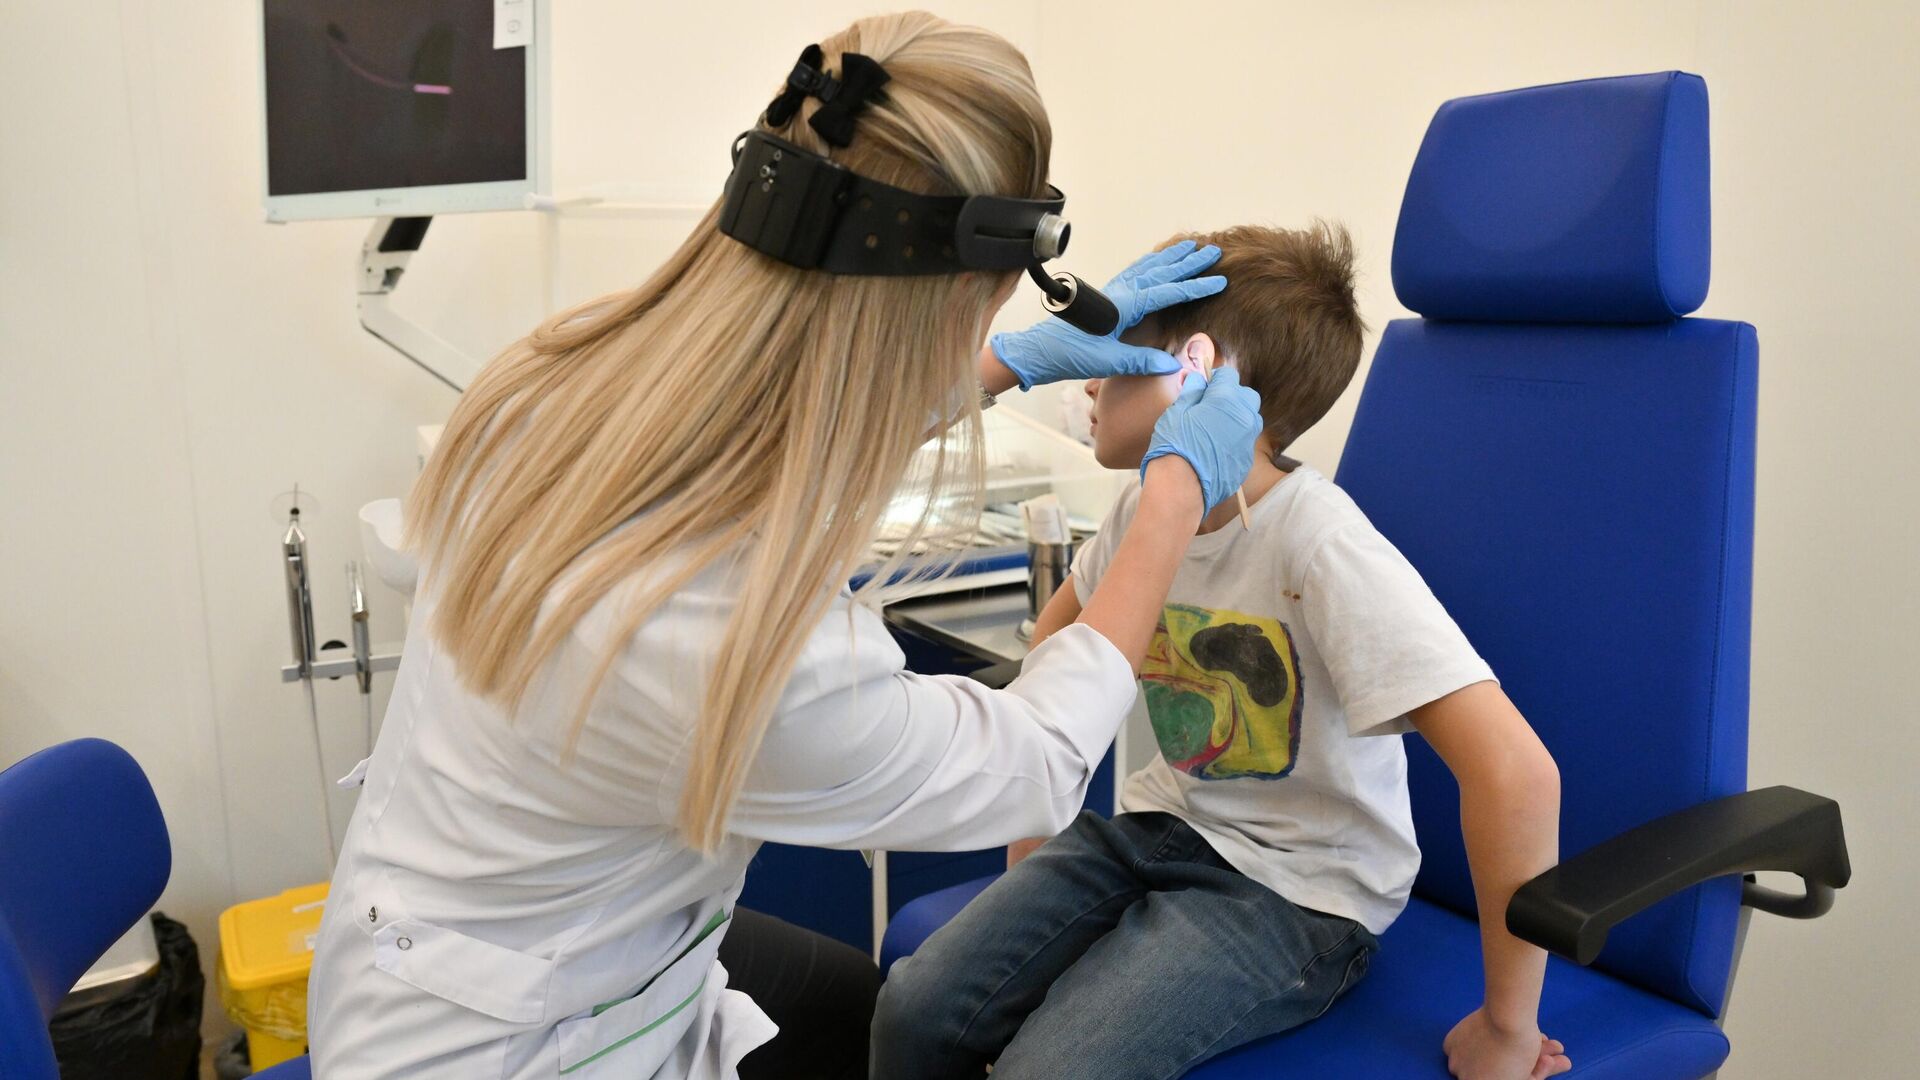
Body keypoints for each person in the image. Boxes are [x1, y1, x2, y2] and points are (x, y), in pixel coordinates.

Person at [304, 14, 1265, 1080]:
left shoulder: (557, 383)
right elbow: (1036, 763)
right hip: (502, 1049)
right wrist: (1172, 497)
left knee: (862, 1008)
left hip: (439, 950)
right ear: (966, 289)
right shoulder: (734, 644)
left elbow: (765, 427)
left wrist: (1004, 362)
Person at [870, 223, 1572, 1080]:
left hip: (1297, 891)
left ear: (1199, 373)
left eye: (1121, 349)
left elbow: (1518, 774)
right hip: (1156, 830)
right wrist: (1026, 893)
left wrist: (1509, 1026)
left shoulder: (1319, 544)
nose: (1089, 376)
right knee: (914, 1009)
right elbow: (1049, 681)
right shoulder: (1141, 510)